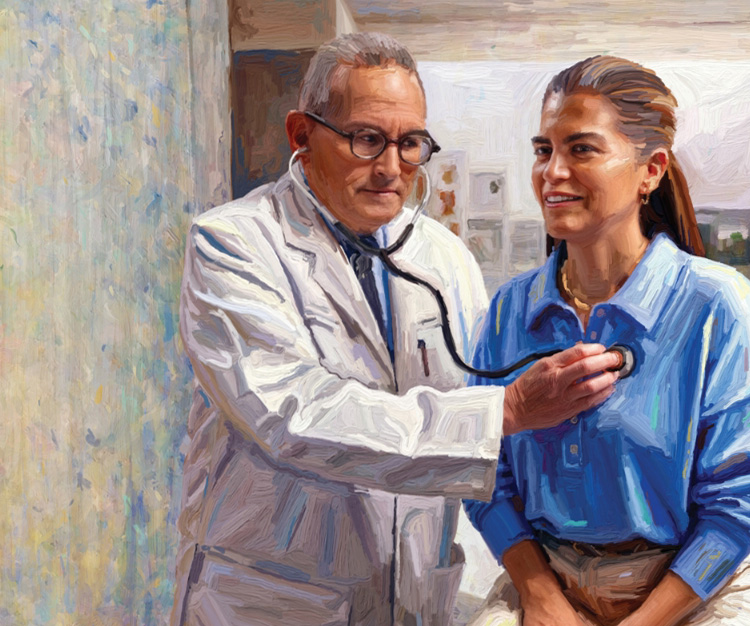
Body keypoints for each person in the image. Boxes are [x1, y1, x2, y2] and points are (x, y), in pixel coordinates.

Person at [170, 34, 622, 626]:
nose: (391, 168)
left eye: (410, 143)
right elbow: (293, 416)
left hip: (413, 595)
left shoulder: (443, 256)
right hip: (274, 600)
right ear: (301, 137)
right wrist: (504, 410)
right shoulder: (232, 244)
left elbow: (482, 433)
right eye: (366, 139)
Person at [464, 56, 750, 626]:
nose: (552, 172)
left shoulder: (719, 303)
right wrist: (542, 599)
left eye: (581, 149)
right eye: (544, 150)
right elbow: (480, 474)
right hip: (548, 583)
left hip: (696, 587)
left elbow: (744, 505)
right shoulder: (509, 311)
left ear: (651, 170)